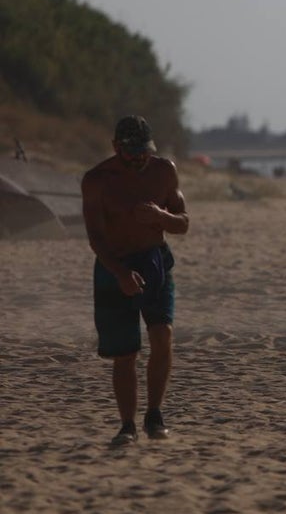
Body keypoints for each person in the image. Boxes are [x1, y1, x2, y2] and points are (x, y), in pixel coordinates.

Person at [82, 116, 189, 445]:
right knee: (125, 353)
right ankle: (127, 425)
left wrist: (161, 216)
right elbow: (96, 238)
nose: (140, 158)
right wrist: (120, 274)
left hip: (155, 261)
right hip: (113, 264)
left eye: (145, 151)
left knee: (162, 335)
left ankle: (154, 415)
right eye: (132, 153)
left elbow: (183, 223)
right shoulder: (97, 180)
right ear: (116, 147)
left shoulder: (164, 171)